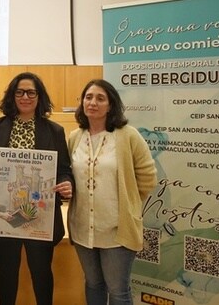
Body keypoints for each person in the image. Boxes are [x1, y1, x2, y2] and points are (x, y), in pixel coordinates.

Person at [0, 72, 74, 305]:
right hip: (6, 216)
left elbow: (64, 170)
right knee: (6, 273)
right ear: (12, 95)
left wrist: (67, 183)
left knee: (41, 272)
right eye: (19, 92)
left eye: (31, 92)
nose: (25, 97)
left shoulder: (55, 131)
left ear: (39, 97)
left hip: (40, 215)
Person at [67, 79, 157, 305]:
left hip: (117, 230)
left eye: (100, 98)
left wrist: (130, 204)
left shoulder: (128, 135)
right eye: (88, 97)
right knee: (93, 284)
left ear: (111, 105)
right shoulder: (74, 137)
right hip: (82, 228)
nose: (93, 103)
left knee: (118, 290)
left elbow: (147, 177)